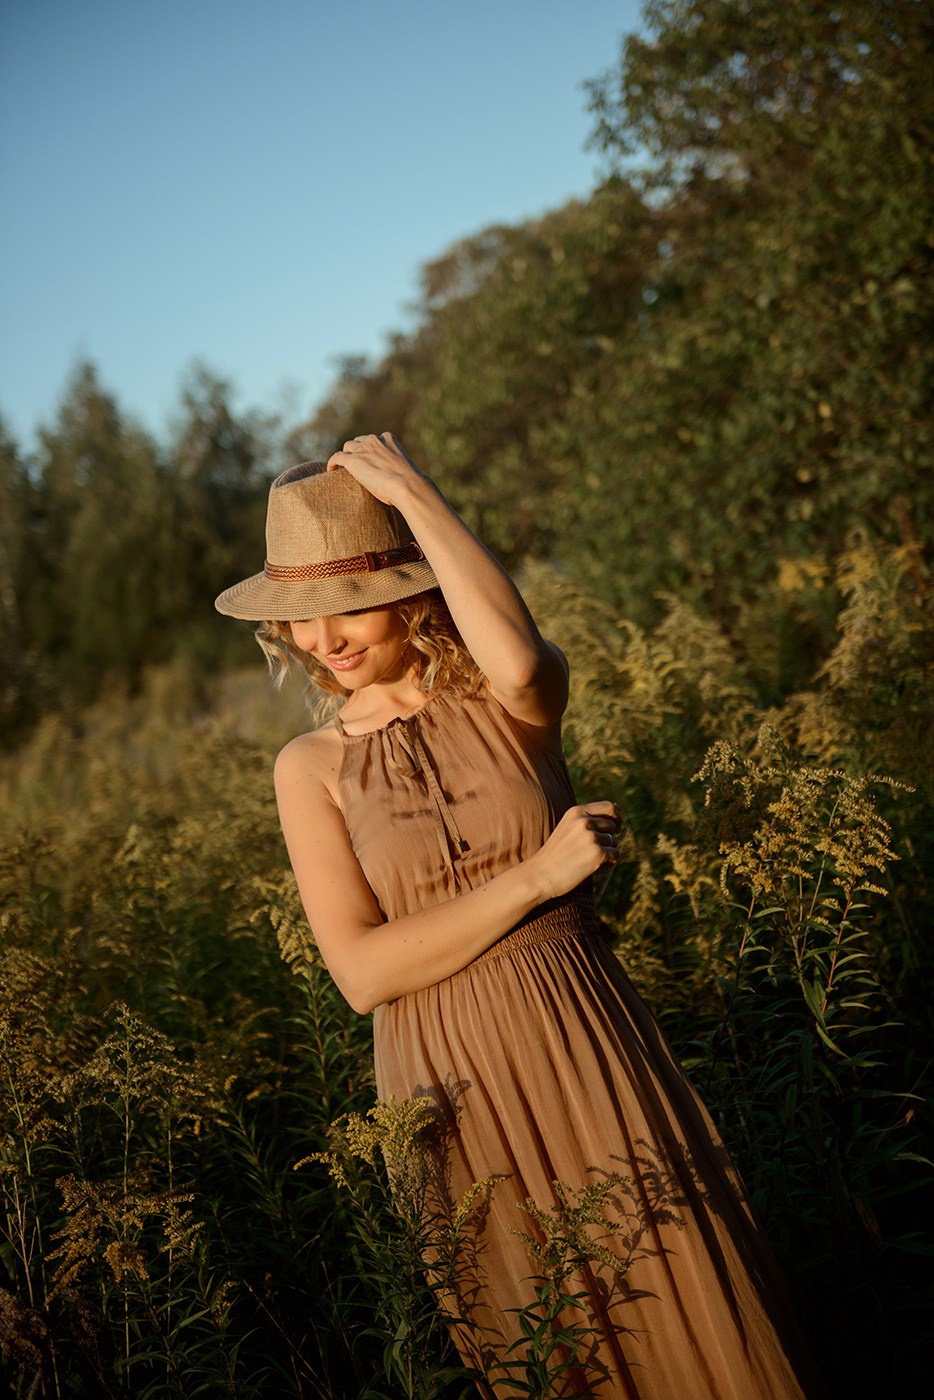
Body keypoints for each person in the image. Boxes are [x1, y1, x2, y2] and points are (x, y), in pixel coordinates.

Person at [215, 433, 820, 1399]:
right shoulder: (309, 768)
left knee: (674, 1293)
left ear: (415, 593)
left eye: (352, 606)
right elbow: (364, 974)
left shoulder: (508, 706)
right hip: (444, 1082)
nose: (323, 641)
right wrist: (538, 879)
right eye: (299, 617)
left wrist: (413, 491)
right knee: (548, 1342)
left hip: (577, 1035)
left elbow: (518, 658)